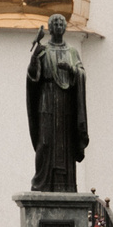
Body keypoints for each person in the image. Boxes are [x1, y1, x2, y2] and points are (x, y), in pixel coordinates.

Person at [25, 12, 89, 193]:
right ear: (51, 28)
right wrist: (34, 57)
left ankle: (66, 184)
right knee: (44, 142)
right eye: (56, 24)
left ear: (65, 28)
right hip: (46, 100)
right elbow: (32, 75)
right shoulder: (43, 50)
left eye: (62, 24)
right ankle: (41, 183)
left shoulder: (72, 52)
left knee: (65, 143)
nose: (59, 27)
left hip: (66, 103)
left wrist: (71, 70)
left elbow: (81, 73)